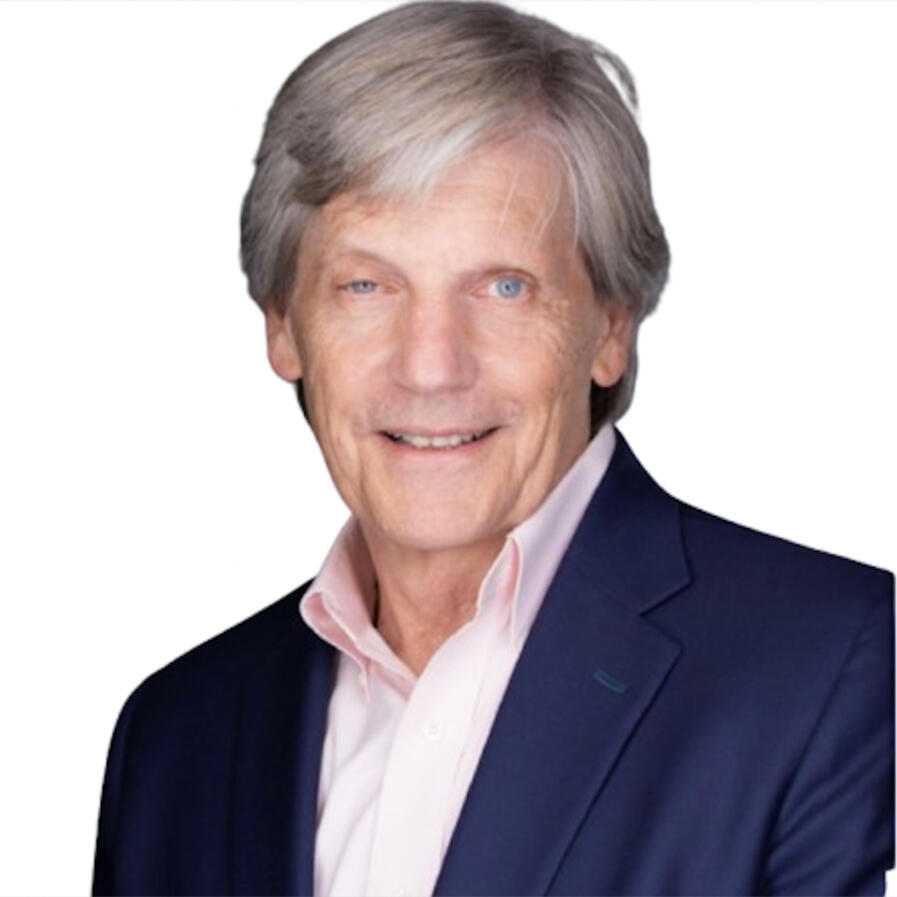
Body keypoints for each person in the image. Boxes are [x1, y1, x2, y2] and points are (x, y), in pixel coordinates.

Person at [91, 2, 894, 894]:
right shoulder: (174, 737)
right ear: (283, 327)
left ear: (610, 325)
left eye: (504, 287)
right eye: (366, 285)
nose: (430, 366)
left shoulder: (839, 665)